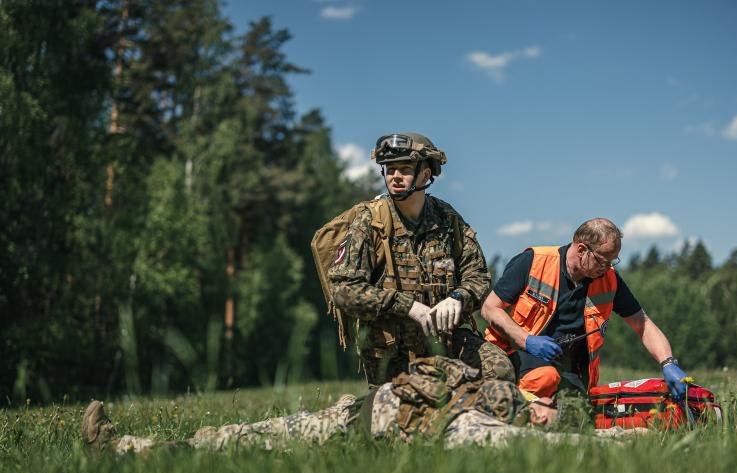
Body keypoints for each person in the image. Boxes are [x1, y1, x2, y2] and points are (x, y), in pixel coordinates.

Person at [81, 356, 638, 455]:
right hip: (364, 410)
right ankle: (132, 448)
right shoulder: (497, 383)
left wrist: (631, 434)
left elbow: (575, 444)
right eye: (545, 406)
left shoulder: (500, 426)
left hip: (429, 429)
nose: (543, 414)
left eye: (549, 412)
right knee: (257, 433)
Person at [329, 132, 512, 386]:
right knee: (405, 415)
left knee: (499, 370)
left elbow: (478, 276)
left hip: (445, 345)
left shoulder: (447, 219)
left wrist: (458, 298)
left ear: (426, 174)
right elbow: (342, 289)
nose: (395, 176)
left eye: (404, 169)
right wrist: (407, 306)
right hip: (392, 357)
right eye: (390, 169)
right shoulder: (371, 222)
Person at [481, 218, 692, 402]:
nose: (608, 268)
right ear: (582, 250)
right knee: (545, 378)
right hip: (516, 356)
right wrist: (527, 340)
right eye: (603, 261)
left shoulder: (609, 280)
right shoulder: (534, 261)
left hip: (570, 372)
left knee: (578, 412)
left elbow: (642, 324)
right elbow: (490, 308)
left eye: (612, 261)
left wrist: (668, 363)